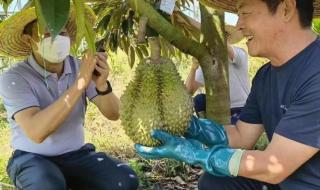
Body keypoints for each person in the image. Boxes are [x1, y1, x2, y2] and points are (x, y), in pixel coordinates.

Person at [136, 0, 320, 190]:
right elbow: (241, 136)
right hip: (284, 183)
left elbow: (273, 166)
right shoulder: (265, 76)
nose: (239, 25)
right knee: (215, 181)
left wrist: (198, 154)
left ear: (286, 9)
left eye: (246, 13)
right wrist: (191, 127)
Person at [0, 7, 138, 190]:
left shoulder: (80, 67)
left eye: (62, 32)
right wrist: (80, 83)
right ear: (29, 40)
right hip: (31, 158)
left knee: (125, 180)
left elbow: (114, 114)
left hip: (76, 155)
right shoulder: (15, 78)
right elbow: (36, 132)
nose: (57, 38)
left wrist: (102, 86)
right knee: (46, 185)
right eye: (48, 33)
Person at [185, 25, 250, 124]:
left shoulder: (240, 53)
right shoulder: (208, 61)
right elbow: (188, 92)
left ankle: (214, 129)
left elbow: (219, 40)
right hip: (217, 110)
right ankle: (206, 124)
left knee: (228, 134)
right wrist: (193, 68)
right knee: (199, 100)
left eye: (224, 35)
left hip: (240, 108)